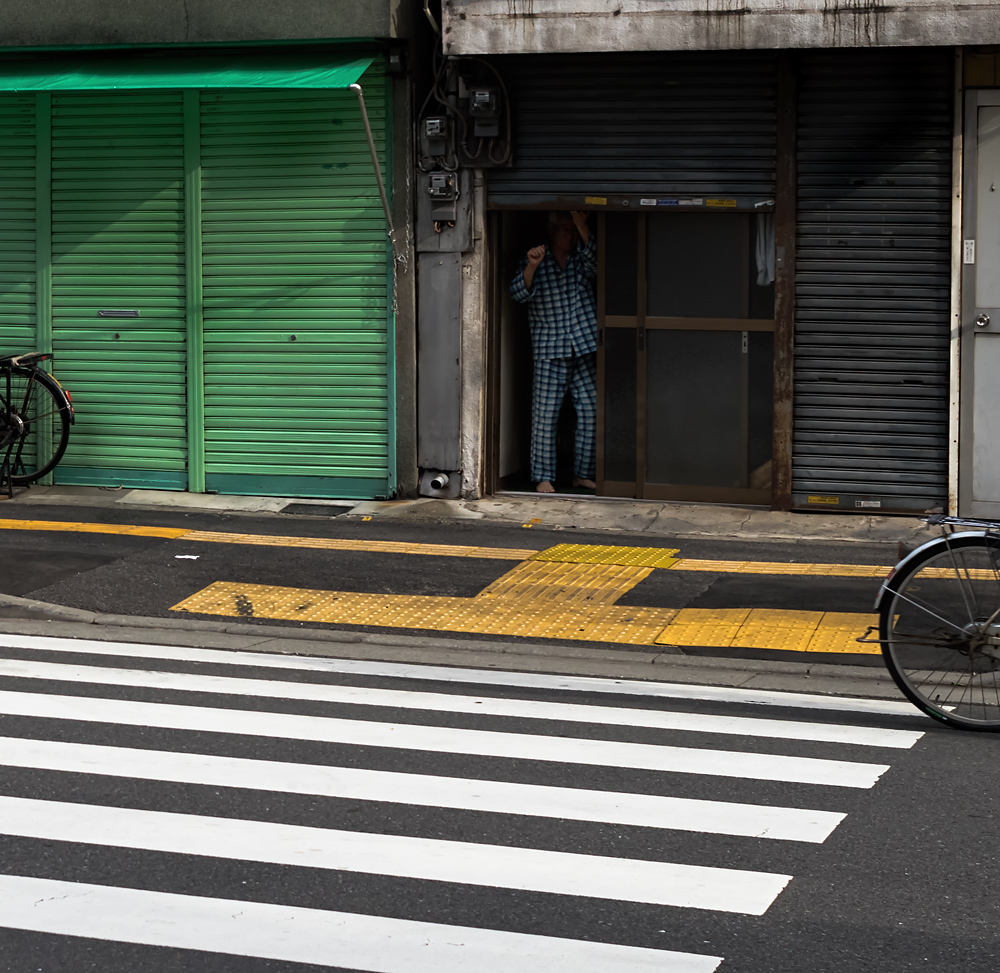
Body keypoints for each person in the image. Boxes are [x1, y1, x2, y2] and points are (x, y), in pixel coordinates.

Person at [509, 210, 597, 494]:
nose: (569, 235)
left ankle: (582, 474)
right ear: (550, 230)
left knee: (591, 411)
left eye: (572, 230)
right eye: (564, 229)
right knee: (546, 415)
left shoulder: (580, 259)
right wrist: (532, 266)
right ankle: (543, 477)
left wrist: (584, 227)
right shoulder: (536, 257)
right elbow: (517, 293)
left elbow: (597, 266)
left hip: (583, 346)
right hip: (549, 349)